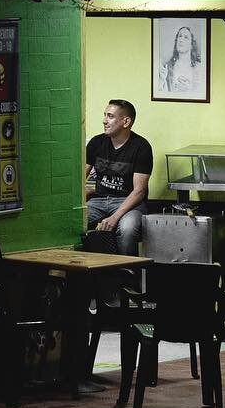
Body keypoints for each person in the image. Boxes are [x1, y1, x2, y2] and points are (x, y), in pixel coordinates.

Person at [84, 99, 152, 255]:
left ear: (126, 121)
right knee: (73, 223)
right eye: (105, 115)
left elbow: (139, 191)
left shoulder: (141, 147)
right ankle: (81, 274)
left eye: (110, 116)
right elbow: (79, 179)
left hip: (129, 203)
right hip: (98, 201)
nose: (104, 121)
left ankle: (127, 275)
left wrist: (114, 218)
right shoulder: (96, 143)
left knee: (127, 229)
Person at [157, 24, 203, 96]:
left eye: (186, 37)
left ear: (191, 45)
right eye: (180, 36)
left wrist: (187, 90)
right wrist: (162, 80)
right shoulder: (167, 67)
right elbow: (161, 94)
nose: (181, 40)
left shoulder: (199, 68)